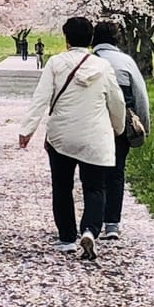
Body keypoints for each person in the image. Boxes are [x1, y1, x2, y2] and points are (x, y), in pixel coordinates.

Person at [18, 16, 125, 260]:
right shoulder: (103, 66)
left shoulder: (55, 63)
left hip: (61, 136)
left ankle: (67, 238)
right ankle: (89, 230)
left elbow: (41, 98)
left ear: (66, 39)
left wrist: (27, 130)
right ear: (91, 40)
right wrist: (118, 128)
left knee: (63, 187)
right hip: (95, 136)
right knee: (95, 187)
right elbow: (116, 102)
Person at [91, 20, 150, 241]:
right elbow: (141, 95)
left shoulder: (89, 61)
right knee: (116, 172)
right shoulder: (126, 61)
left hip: (94, 121)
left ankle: (91, 223)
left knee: (93, 173)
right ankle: (112, 224)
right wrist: (143, 125)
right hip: (123, 121)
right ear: (117, 39)